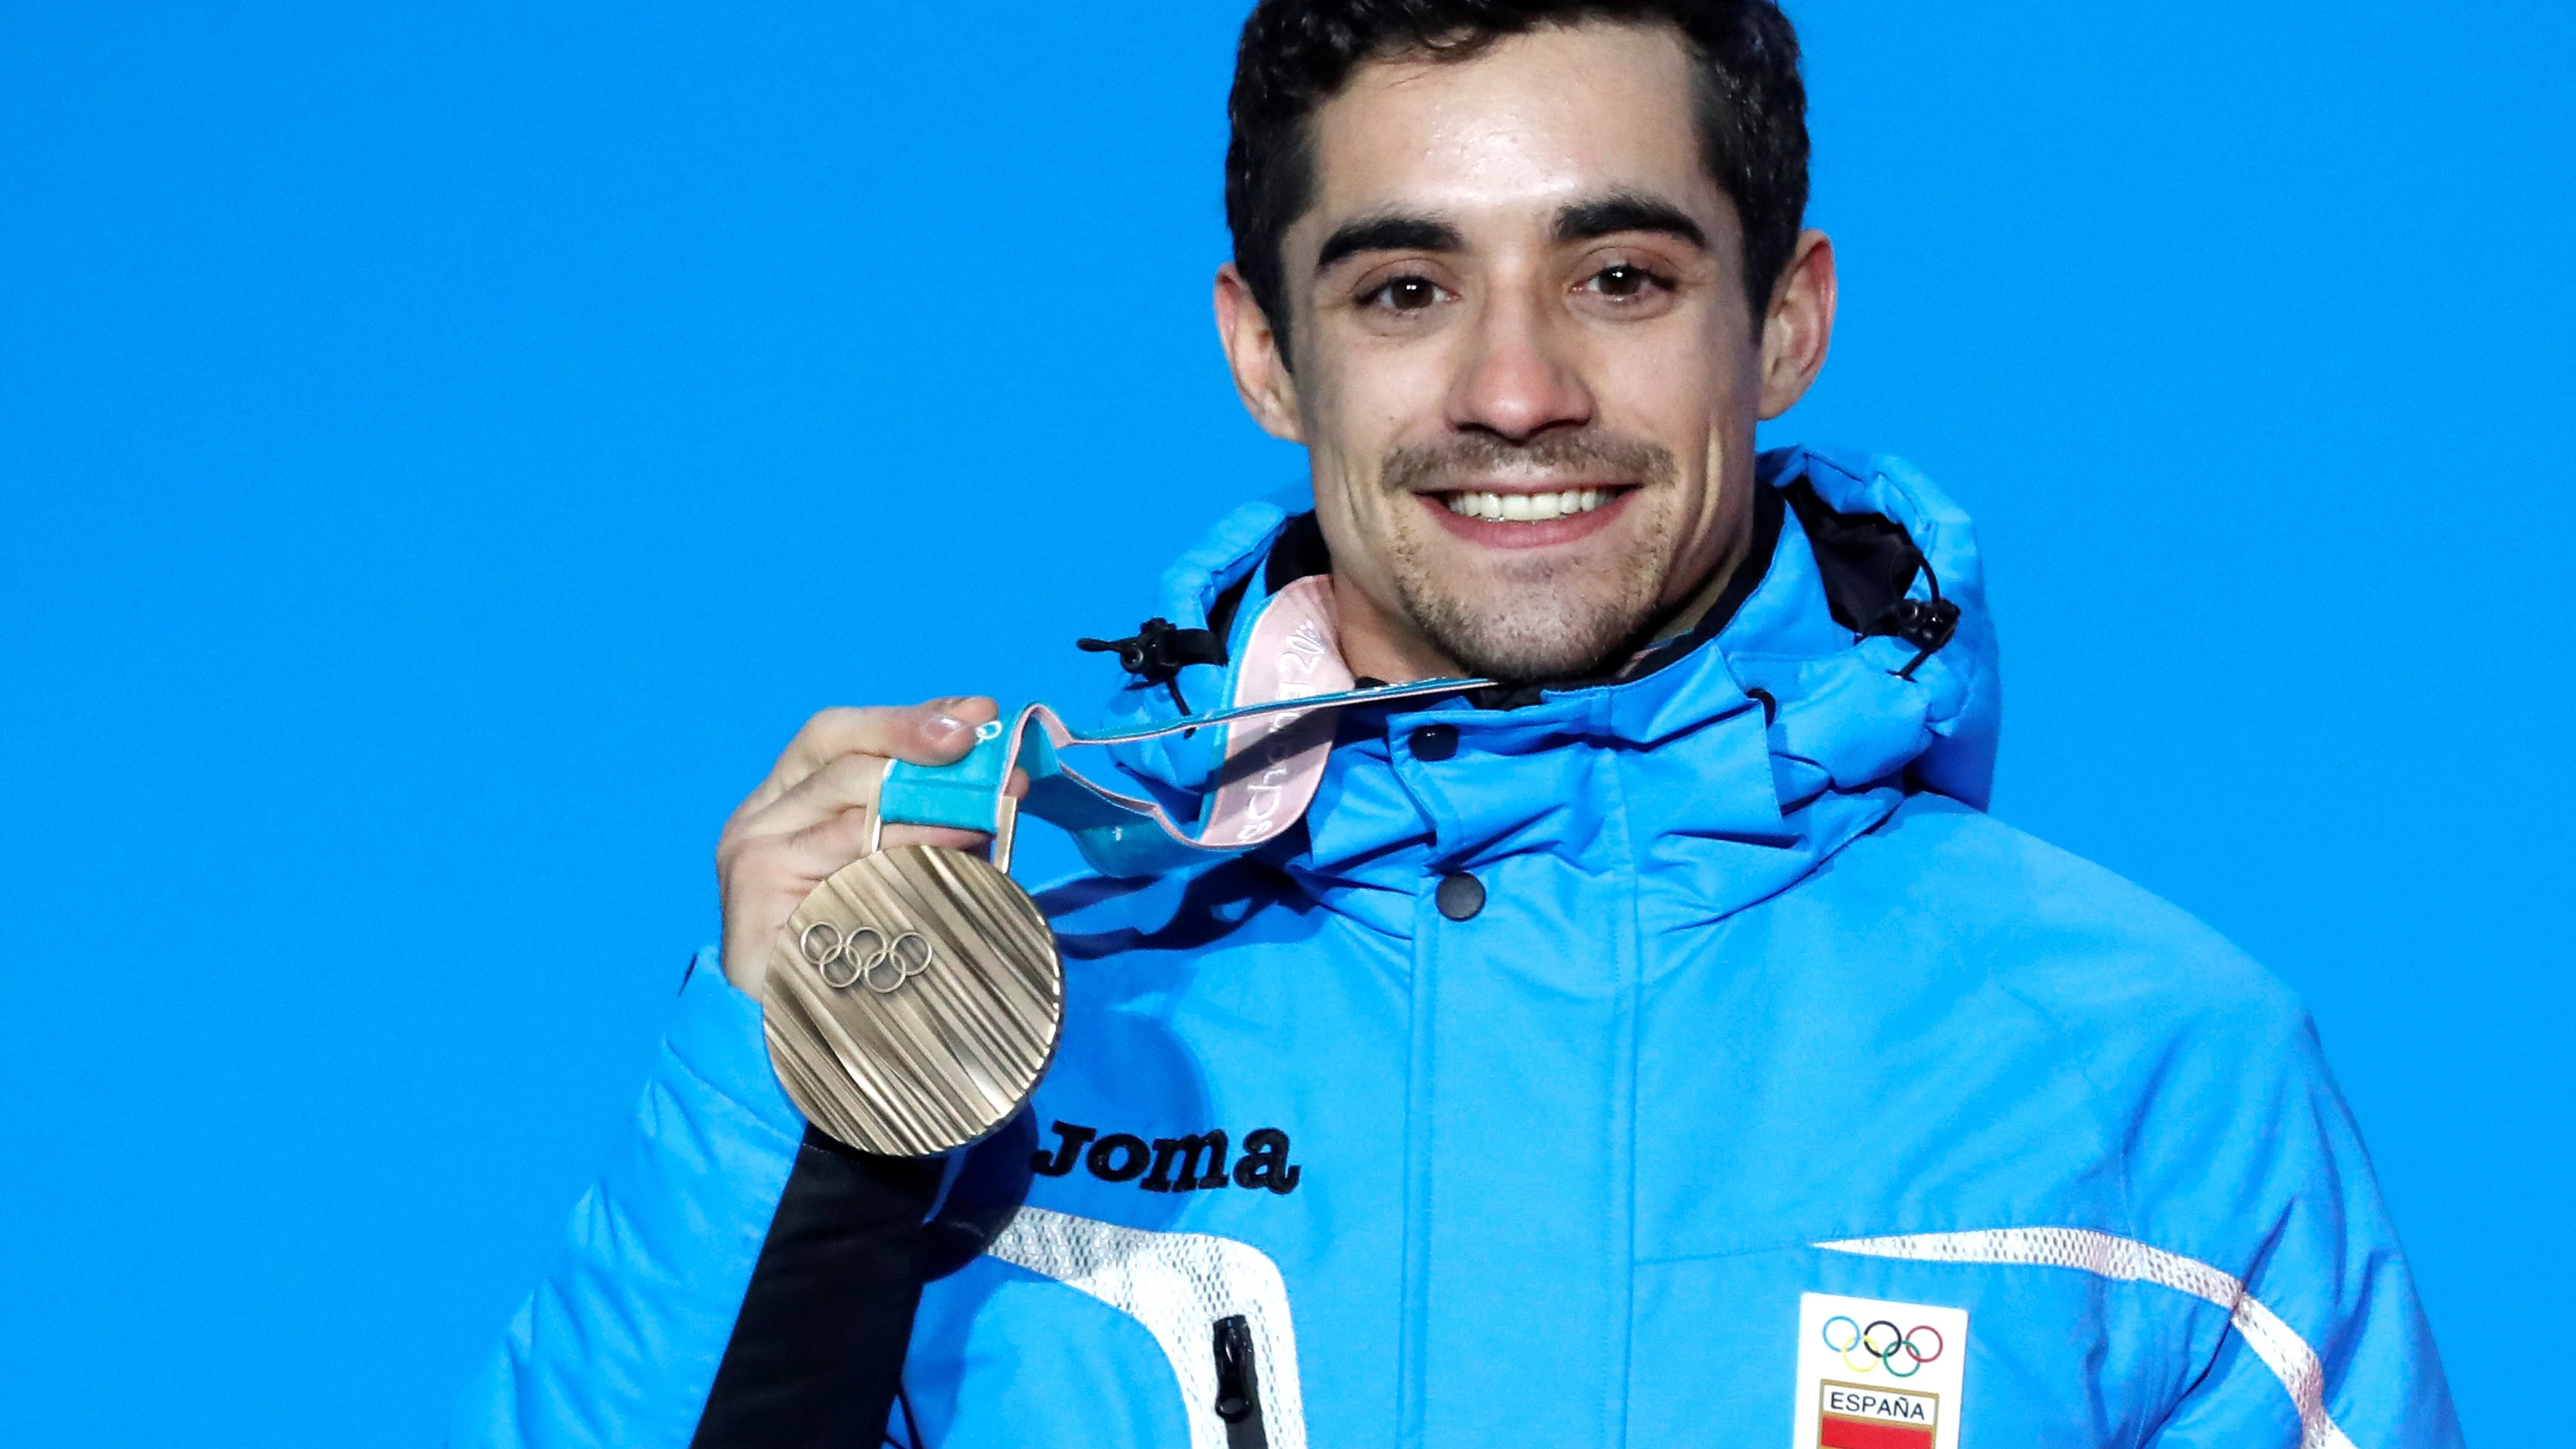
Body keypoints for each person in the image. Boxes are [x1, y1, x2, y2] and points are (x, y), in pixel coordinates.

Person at [452, 3, 2461, 1446]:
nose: (1516, 388)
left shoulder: (2148, 1075)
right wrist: (782, 1087)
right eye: (1407, 287)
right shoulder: (994, 1011)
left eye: (1617, 273)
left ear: (1783, 321)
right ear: (1266, 349)